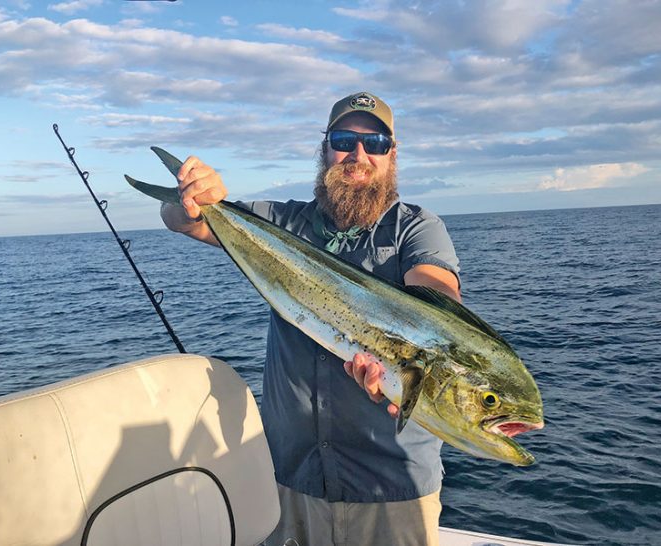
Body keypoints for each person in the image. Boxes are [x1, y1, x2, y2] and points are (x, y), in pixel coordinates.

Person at [161, 92, 461, 546]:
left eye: (375, 143)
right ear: (325, 149)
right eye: (344, 140)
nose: (358, 155)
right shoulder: (281, 223)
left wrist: (431, 326)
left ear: (391, 155)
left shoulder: (416, 228)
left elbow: (437, 293)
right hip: (292, 480)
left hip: (391, 490)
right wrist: (190, 198)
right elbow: (186, 221)